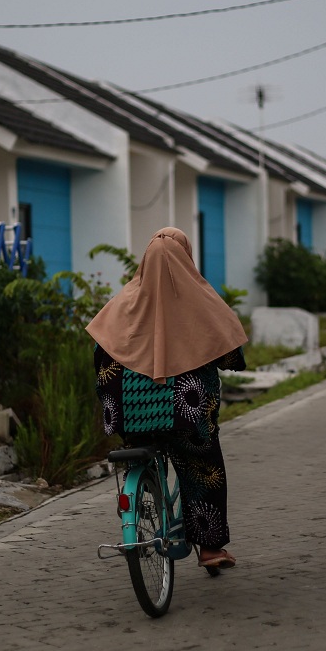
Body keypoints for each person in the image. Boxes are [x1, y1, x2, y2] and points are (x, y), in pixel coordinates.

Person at [86, 227, 248, 569]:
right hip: (185, 420)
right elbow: (230, 353)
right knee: (202, 467)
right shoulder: (200, 301)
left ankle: (144, 497)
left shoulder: (121, 305)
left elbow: (101, 358)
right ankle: (210, 550)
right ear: (186, 258)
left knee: (140, 450)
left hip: (130, 419)